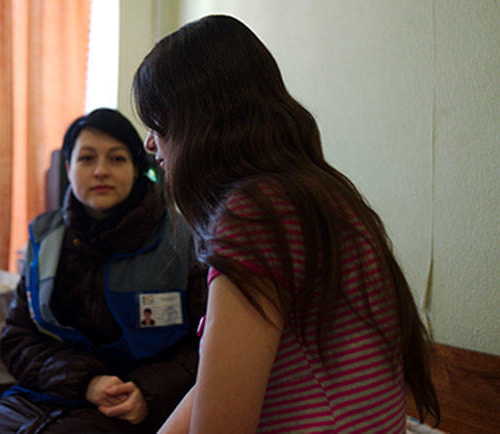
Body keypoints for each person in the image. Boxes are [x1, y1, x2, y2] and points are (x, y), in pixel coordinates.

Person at [132, 15, 440, 433]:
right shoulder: (321, 193)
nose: (151, 143)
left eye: (157, 122)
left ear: (197, 121)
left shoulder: (254, 215)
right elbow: (218, 384)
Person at [0, 108, 206, 433]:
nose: (100, 171)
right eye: (86, 159)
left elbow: (207, 346)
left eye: (117, 159)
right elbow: (18, 339)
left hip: (139, 406)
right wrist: (86, 383)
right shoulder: (45, 238)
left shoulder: (182, 239)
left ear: (137, 168)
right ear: (68, 167)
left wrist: (148, 392)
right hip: (48, 395)